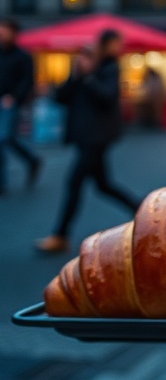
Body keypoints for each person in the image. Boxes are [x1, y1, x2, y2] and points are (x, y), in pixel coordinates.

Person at [37, 30, 140, 253]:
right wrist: (76, 76)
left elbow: (107, 97)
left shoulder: (109, 69)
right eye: (114, 44)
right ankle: (141, 209)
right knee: (103, 184)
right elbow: (60, 98)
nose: (117, 48)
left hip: (98, 136)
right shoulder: (81, 73)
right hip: (84, 135)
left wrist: (89, 77)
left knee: (74, 183)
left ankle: (60, 234)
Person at [0, 17, 42, 195]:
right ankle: (32, 160)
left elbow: (27, 81)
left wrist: (15, 97)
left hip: (9, 103)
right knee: (5, 139)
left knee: (4, 138)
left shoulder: (23, 56)